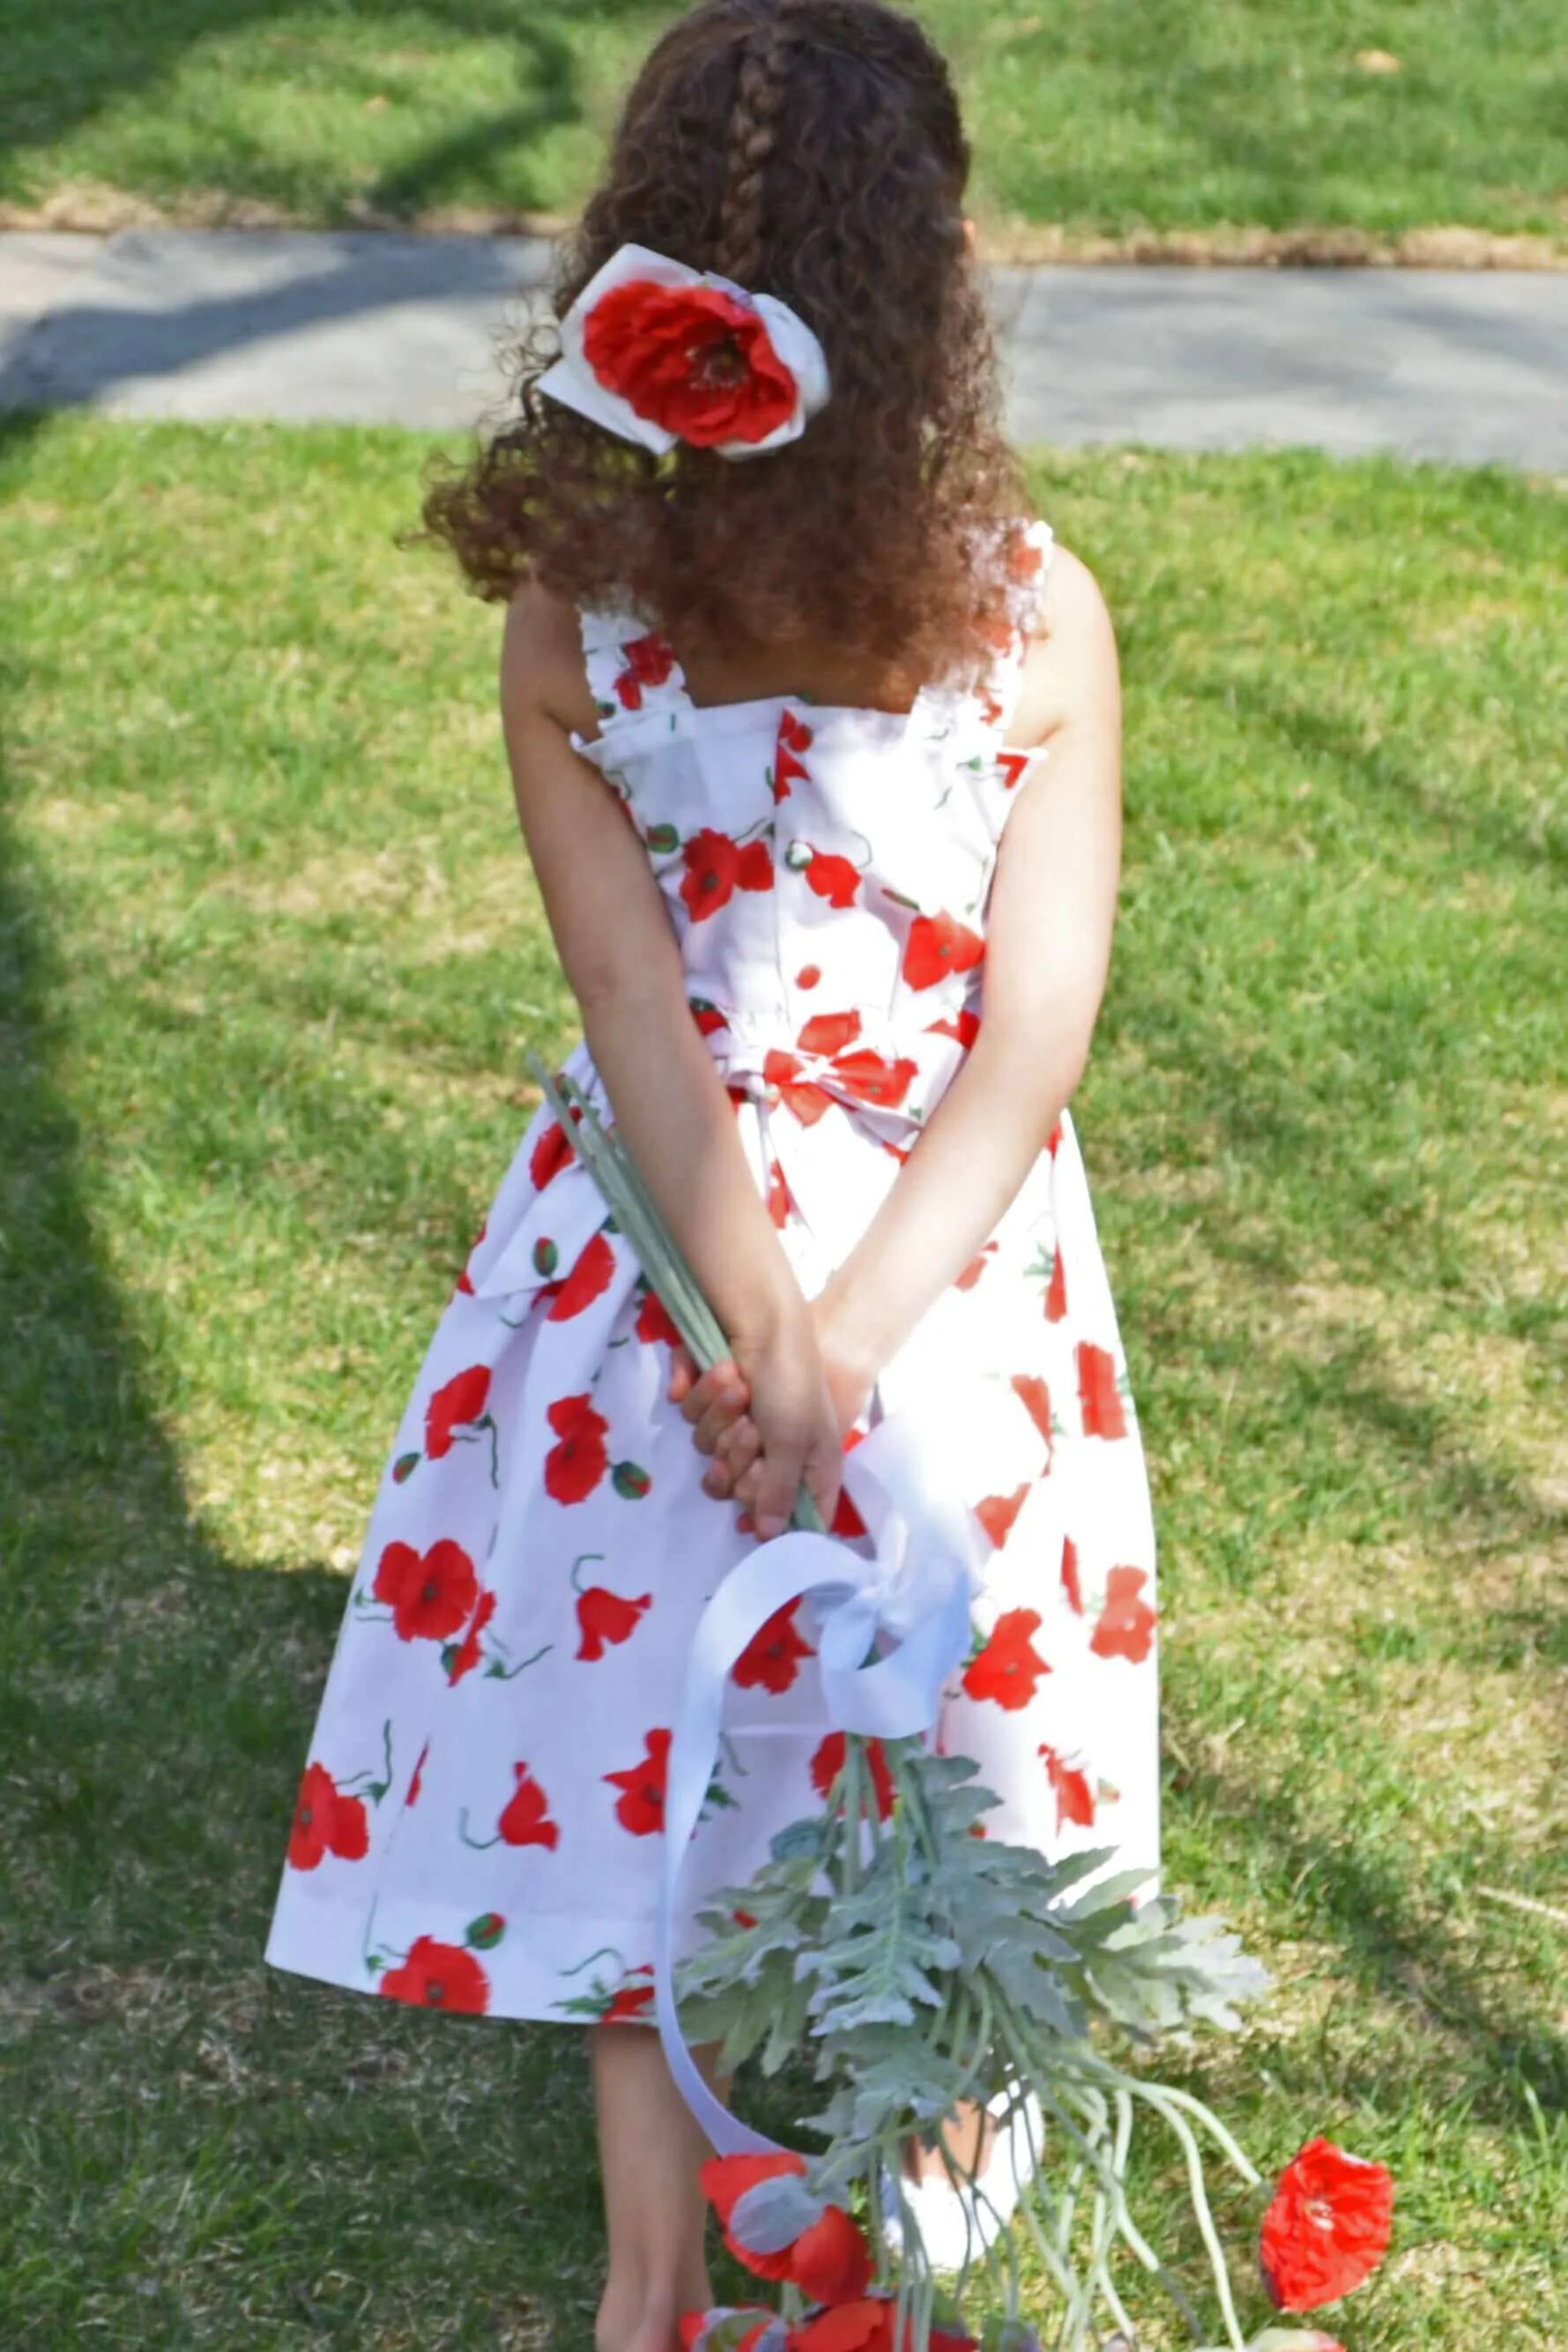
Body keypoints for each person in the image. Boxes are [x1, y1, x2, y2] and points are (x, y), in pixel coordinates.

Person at [265, 5, 1161, 2348]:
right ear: (944, 272)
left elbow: (647, 1023)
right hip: (943, 1284)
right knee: (947, 1736)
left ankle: (649, 2282)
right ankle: (935, 2255)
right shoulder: (1032, 613)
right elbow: (1027, 1031)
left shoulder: (580, 618)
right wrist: (855, 1345)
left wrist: (759, 1333)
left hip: (652, 1294)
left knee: (647, 1729)